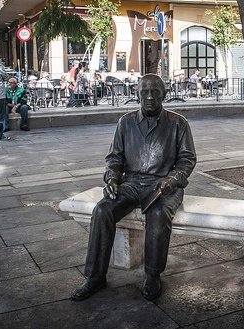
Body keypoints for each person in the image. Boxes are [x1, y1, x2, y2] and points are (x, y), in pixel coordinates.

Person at [71, 74, 196, 302]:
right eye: (144, 92)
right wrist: (111, 178)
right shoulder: (125, 122)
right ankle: (95, 276)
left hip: (163, 186)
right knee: (102, 210)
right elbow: (114, 158)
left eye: (155, 92)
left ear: (164, 95)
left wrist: (173, 178)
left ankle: (152, 274)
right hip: (131, 184)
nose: (149, 96)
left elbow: (187, 160)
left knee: (158, 214)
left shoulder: (178, 123)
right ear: (137, 94)